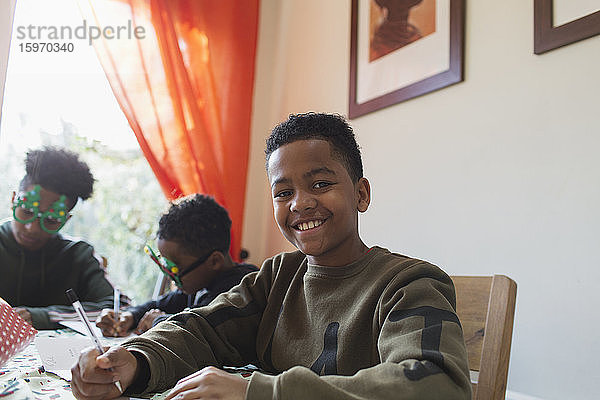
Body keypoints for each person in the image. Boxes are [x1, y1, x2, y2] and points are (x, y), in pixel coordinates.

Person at [71, 113, 471, 400]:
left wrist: (258, 392)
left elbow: (437, 384)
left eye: (320, 183)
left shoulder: (409, 283)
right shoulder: (278, 276)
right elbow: (202, 329)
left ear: (361, 194)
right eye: (283, 192)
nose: (300, 204)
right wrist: (137, 360)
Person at [95, 194, 258, 337]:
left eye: (175, 268)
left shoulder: (241, 290)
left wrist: (158, 321)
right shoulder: (199, 283)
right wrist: (129, 316)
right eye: (166, 265)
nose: (169, 275)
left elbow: (200, 329)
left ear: (214, 261)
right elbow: (160, 304)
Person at [0, 146, 114, 330]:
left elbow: (118, 308)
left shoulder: (79, 255)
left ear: (66, 220)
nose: (32, 228)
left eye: (51, 220)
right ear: (13, 199)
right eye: (27, 211)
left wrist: (43, 317)